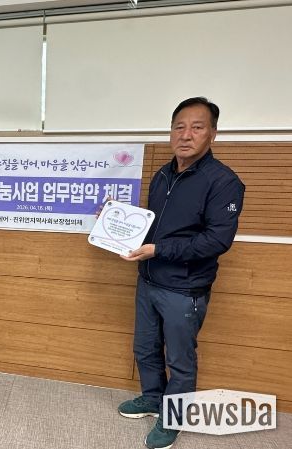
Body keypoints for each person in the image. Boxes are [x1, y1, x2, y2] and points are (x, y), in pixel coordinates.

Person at [116, 97, 245, 449]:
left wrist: (158, 250)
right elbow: (156, 226)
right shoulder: (162, 174)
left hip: (185, 289)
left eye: (197, 127)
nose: (185, 135)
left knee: (180, 360)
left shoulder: (224, 182)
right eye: (179, 127)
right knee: (145, 348)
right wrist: (118, 221)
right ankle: (152, 398)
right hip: (149, 279)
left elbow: (216, 240)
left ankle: (173, 418)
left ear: (212, 134)